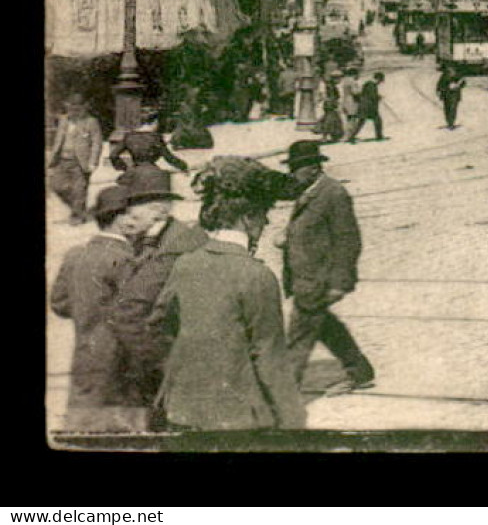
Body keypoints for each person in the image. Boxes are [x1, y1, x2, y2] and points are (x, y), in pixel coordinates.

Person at [155, 156, 304, 430]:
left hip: (182, 411)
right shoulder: (256, 275)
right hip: (237, 418)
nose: (266, 222)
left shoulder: (185, 263)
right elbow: (270, 358)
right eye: (263, 214)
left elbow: (160, 327)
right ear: (248, 218)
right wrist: (292, 421)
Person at [104, 166, 207, 428]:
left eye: (131, 207)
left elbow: (129, 312)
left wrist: (155, 365)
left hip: (166, 368)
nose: (124, 216)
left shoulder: (176, 246)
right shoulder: (148, 239)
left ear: (159, 210)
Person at [279, 141, 375, 397]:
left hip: (318, 280)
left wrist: (339, 282)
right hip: (306, 278)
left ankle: (283, 391)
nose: (292, 173)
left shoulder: (334, 193)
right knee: (325, 326)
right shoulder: (309, 190)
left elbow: (348, 240)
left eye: (296, 168)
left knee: (299, 336)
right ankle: (360, 370)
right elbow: (312, 231)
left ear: (313, 168)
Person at [50, 185, 139, 430]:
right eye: (133, 215)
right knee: (120, 434)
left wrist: (86, 308)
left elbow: (59, 304)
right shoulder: (125, 259)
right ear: (122, 220)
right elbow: (135, 311)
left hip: (84, 355)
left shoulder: (75, 255)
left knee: (82, 431)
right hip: (120, 358)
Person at [48, 94, 103, 224]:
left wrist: (93, 162)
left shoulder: (91, 121)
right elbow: (58, 140)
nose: (74, 111)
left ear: (84, 108)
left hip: (80, 162)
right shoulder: (63, 120)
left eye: (78, 108)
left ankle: (77, 216)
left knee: (80, 189)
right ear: (68, 107)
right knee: (56, 185)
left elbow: (97, 143)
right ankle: (77, 209)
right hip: (62, 160)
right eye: (71, 108)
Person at [108, 108, 189, 174]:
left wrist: (125, 169)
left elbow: (113, 155)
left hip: (135, 171)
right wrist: (183, 166)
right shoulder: (155, 138)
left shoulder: (129, 137)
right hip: (152, 171)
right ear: (154, 122)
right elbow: (168, 157)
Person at [348, 72, 386, 143]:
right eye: (380, 80)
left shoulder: (369, 84)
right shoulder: (371, 85)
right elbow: (372, 96)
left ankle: (351, 137)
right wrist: (378, 97)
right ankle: (379, 136)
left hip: (365, 106)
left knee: (362, 122)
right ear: (377, 78)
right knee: (376, 120)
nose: (380, 83)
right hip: (368, 106)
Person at [436, 64, 467, 129]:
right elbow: (439, 84)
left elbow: (464, 83)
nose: (450, 70)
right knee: (447, 109)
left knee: (453, 109)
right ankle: (449, 122)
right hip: (446, 95)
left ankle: (451, 123)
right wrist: (439, 91)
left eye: (451, 69)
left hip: (454, 94)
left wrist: (457, 85)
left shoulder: (458, 75)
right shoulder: (444, 75)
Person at [338, 69, 362, 141]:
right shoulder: (352, 81)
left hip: (345, 101)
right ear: (354, 74)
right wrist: (361, 90)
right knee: (352, 120)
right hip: (352, 102)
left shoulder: (345, 81)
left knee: (348, 120)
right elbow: (355, 92)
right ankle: (349, 136)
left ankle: (348, 136)